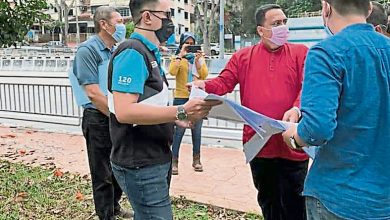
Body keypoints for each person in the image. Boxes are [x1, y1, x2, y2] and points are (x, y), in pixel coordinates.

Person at [192, 4, 309, 220]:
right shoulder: (243, 57)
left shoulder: (301, 53)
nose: (282, 27)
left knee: (296, 203)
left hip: (292, 142)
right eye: (275, 24)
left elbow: (308, 86)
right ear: (260, 30)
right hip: (259, 143)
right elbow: (223, 83)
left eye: (284, 22)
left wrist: (296, 107)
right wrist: (203, 86)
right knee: (268, 201)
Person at [107, 0, 221, 219]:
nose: (171, 22)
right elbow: (125, 112)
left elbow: (148, 102)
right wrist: (179, 111)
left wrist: (175, 120)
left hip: (155, 155)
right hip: (140, 161)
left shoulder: (149, 53)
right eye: (167, 15)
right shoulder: (132, 52)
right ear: (147, 17)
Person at [282, 0, 390, 219]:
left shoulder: (326, 53)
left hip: (339, 197)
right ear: (369, 8)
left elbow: (317, 129)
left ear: (326, 8)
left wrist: (293, 136)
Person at [68, 6, 132, 220]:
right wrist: (118, 115)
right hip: (98, 117)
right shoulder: (88, 51)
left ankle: (114, 207)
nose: (122, 25)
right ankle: (106, 215)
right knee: (102, 172)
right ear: (104, 24)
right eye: (119, 21)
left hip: (115, 114)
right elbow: (94, 93)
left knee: (118, 167)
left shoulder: (116, 50)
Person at [169, 32, 208, 175]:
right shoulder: (178, 58)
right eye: (187, 44)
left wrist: (198, 61)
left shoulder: (199, 58)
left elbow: (204, 74)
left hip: (196, 97)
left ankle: (196, 160)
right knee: (178, 131)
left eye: (193, 44)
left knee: (196, 130)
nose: (190, 47)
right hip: (181, 98)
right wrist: (181, 54)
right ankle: (174, 161)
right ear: (182, 44)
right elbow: (172, 72)